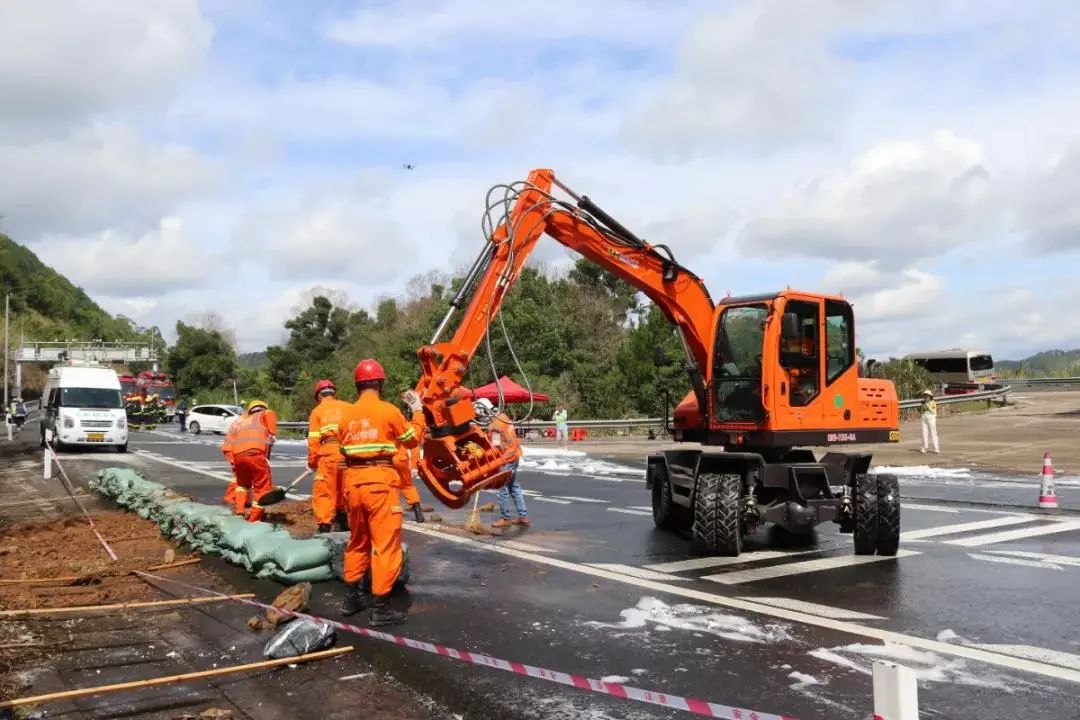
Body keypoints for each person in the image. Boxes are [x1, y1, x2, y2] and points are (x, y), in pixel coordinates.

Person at [337, 359, 424, 625]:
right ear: (380, 384)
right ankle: (381, 608)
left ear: (358, 385)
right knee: (386, 546)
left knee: (357, 541)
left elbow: (343, 448)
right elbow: (412, 439)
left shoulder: (346, 415)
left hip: (352, 484)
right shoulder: (388, 411)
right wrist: (417, 410)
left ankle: (351, 599)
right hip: (380, 485)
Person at [307, 379, 352, 533]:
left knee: (325, 491)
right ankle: (344, 522)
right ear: (334, 393)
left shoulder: (317, 412)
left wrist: (313, 461)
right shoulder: (348, 407)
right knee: (344, 488)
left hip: (328, 454)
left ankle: (325, 526)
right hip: (346, 453)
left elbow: (313, 440)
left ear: (319, 396)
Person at [222, 400, 277, 522]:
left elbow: (228, 444)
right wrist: (273, 434)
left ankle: (239, 511)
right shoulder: (262, 415)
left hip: (238, 455)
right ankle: (254, 519)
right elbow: (270, 413)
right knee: (262, 489)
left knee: (242, 484)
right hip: (255, 454)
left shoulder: (242, 421)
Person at [475, 399, 527, 528]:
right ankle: (523, 515)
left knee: (501, 488)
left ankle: (505, 518)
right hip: (515, 455)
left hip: (506, 459)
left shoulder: (494, 426)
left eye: (480, 416)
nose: (481, 419)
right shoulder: (503, 416)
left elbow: (496, 447)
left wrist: (481, 455)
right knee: (513, 487)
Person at [920, 389, 939, 454]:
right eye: (925, 396)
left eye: (927, 396)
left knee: (933, 432)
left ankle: (936, 448)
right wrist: (923, 406)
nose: (926, 397)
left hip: (931, 418)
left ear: (930, 396)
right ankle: (924, 447)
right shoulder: (923, 403)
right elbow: (922, 411)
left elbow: (933, 411)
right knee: (924, 433)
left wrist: (927, 406)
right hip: (924, 418)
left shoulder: (933, 402)